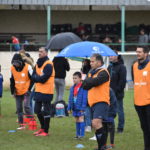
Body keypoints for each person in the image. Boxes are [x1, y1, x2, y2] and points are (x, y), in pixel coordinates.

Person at [82, 53, 110, 150]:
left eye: (92, 61)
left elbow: (95, 82)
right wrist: (88, 81)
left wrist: (88, 80)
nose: (90, 63)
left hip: (101, 101)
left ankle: (102, 147)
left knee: (96, 123)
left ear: (99, 62)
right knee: (97, 125)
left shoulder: (104, 72)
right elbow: (84, 85)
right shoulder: (91, 72)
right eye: (90, 61)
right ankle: (101, 146)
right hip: (92, 102)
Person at [32, 47, 55, 136]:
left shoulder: (49, 64)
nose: (39, 53)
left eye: (41, 52)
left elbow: (44, 79)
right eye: (39, 51)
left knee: (46, 111)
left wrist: (37, 78)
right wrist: (38, 78)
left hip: (47, 91)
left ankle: (46, 131)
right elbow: (33, 76)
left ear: (46, 53)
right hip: (38, 90)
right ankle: (42, 128)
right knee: (37, 110)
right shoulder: (37, 63)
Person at [132, 46, 150, 150]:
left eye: (140, 52)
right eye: (136, 51)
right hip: (138, 103)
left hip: (149, 102)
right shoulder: (134, 66)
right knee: (144, 128)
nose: (137, 53)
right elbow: (135, 81)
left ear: (146, 53)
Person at [10, 53, 33, 130]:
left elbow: (33, 79)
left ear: (20, 62)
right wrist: (12, 92)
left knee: (26, 106)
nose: (15, 65)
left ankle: (32, 122)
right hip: (18, 91)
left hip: (26, 91)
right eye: (14, 63)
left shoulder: (28, 67)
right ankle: (22, 125)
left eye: (17, 63)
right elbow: (12, 81)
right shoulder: (12, 68)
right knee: (19, 109)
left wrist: (29, 90)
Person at [108, 51, 127, 133]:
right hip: (109, 94)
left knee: (119, 111)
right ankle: (110, 126)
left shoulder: (122, 67)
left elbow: (122, 81)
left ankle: (120, 128)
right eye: (109, 55)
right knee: (109, 111)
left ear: (117, 56)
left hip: (118, 94)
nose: (110, 57)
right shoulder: (109, 67)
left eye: (112, 55)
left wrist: (116, 91)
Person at [67, 72, 87, 139]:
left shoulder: (83, 87)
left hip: (80, 107)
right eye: (73, 78)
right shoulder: (72, 88)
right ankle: (77, 135)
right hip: (74, 106)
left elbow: (85, 98)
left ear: (80, 78)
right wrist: (69, 107)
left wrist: (83, 107)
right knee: (76, 120)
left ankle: (82, 135)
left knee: (81, 119)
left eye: (76, 78)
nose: (74, 79)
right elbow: (70, 98)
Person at [81, 59, 92, 132]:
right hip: (84, 89)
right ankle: (86, 124)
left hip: (89, 90)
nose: (84, 63)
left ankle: (88, 125)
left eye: (85, 62)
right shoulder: (83, 69)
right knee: (85, 109)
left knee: (88, 109)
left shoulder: (91, 70)